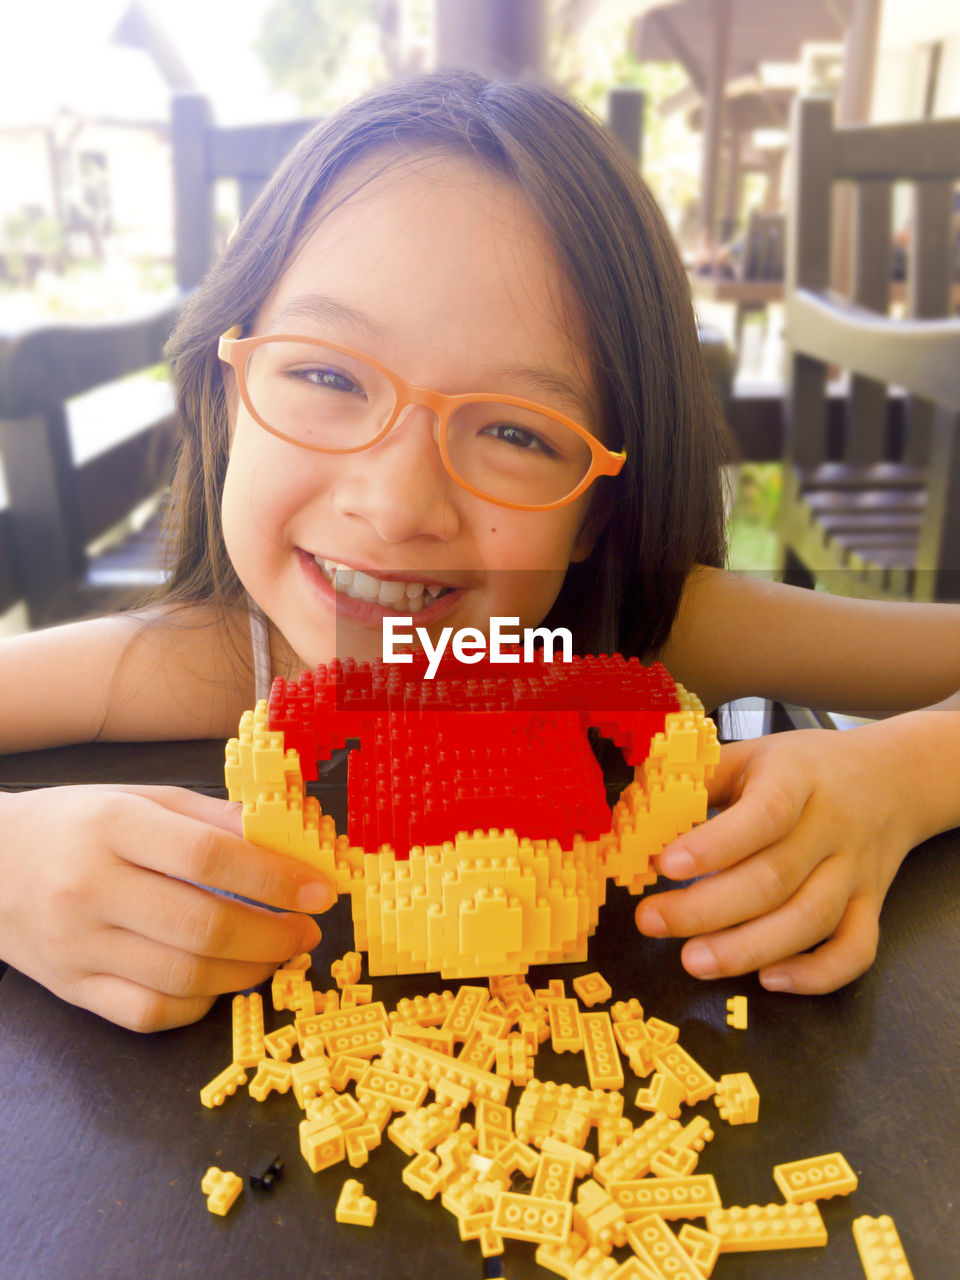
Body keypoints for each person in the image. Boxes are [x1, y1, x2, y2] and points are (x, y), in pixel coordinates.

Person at [0, 72, 957, 1032]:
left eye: (517, 433)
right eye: (328, 373)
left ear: (593, 514)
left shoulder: (645, 634)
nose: (395, 504)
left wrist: (904, 777)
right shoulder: (205, 663)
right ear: (227, 395)